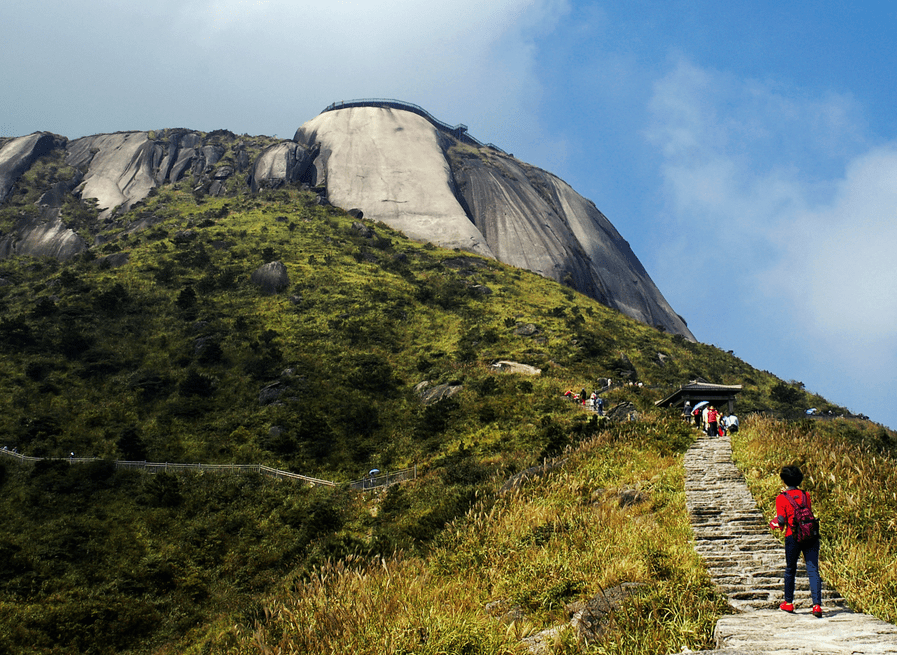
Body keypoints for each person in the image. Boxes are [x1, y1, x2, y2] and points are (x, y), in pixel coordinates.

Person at [769, 466, 822, 618]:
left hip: (793, 535)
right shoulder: (806, 495)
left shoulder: (781, 498)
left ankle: (789, 603)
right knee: (813, 569)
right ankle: (817, 605)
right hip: (810, 534)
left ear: (784, 480)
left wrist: (774, 523)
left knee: (790, 569)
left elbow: (781, 520)